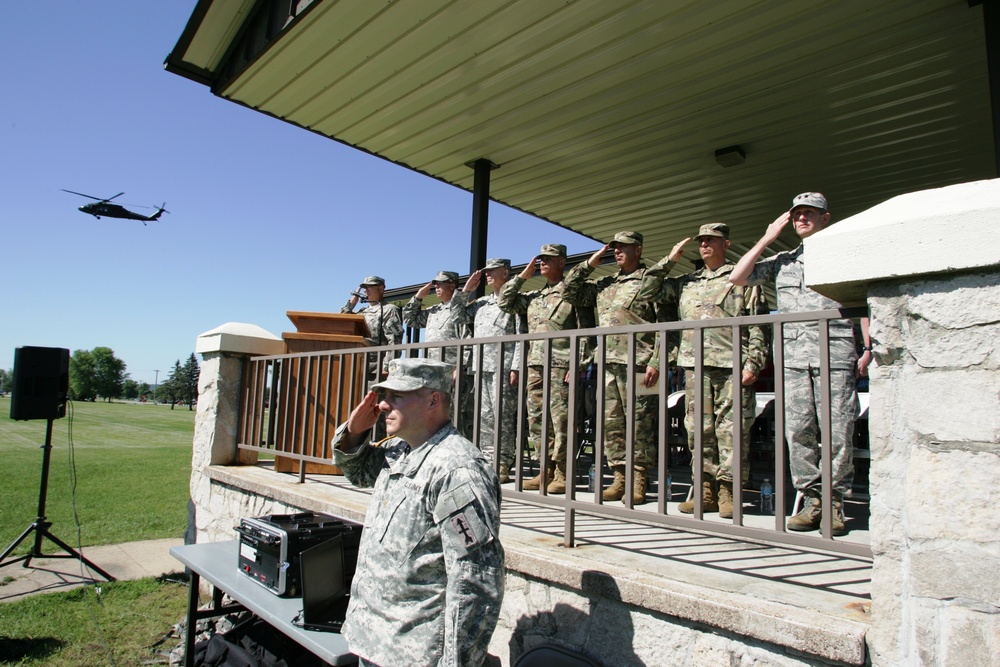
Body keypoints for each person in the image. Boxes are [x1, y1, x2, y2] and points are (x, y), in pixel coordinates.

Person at [331, 358, 505, 667]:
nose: (383, 405)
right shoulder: (398, 450)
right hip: (373, 642)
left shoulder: (457, 469)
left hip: (414, 653)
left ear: (433, 400)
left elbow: (475, 580)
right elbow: (357, 472)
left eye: (396, 395)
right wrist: (355, 432)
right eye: (383, 396)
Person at [730, 193, 872, 535]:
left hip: (834, 355)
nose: (802, 219)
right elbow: (737, 277)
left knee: (838, 431)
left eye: (810, 213)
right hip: (793, 359)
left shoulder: (844, 253)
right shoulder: (782, 261)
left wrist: (868, 347)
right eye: (797, 215)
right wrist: (767, 238)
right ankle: (812, 501)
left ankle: (835, 502)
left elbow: (863, 301)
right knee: (798, 432)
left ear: (826, 217)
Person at [654, 223, 769, 518]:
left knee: (731, 432)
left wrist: (754, 362)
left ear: (726, 244)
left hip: (732, 366)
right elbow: (647, 289)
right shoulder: (686, 282)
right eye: (702, 240)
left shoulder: (742, 278)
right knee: (698, 432)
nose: (705, 245)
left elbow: (758, 325)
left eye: (711, 240)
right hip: (695, 366)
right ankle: (705, 490)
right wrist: (670, 260)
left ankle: (729, 491)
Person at [562, 231, 672, 505]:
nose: (618, 251)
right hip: (608, 362)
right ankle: (619, 478)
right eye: (615, 248)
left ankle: (638, 481)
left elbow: (665, 325)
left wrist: (657, 362)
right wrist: (592, 262)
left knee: (640, 424)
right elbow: (569, 290)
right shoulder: (604, 284)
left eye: (623, 247)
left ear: (638, 249)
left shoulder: (651, 281)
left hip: (640, 363)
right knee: (611, 424)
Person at [498, 244, 594, 494]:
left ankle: (563, 472)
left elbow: (586, 331)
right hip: (536, 365)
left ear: (562, 262)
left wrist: (579, 363)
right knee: (537, 420)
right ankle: (545, 470)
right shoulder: (535, 297)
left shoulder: (573, 293)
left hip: (562, 364)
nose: (542, 263)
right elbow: (505, 302)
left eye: (548, 259)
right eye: (540, 259)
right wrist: (522, 277)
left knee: (561, 421)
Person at [461, 258, 527, 483]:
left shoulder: (515, 302)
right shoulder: (481, 304)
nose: (487, 275)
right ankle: (486, 459)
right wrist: (466, 291)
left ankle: (502, 462)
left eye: (492, 271)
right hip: (482, 366)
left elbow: (521, 336)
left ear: (506, 272)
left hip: (504, 365)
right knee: (484, 416)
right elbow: (456, 315)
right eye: (486, 271)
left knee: (502, 416)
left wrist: (517, 366)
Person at [403, 270, 473, 432]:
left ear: (452, 285)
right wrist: (419, 297)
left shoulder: (460, 311)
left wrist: (460, 367)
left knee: (452, 413)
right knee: (430, 411)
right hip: (431, 370)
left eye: (441, 284)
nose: (437, 288)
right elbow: (410, 319)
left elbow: (467, 341)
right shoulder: (433, 311)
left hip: (450, 370)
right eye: (435, 284)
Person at [340, 275, 404, 351]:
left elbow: (394, 341)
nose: (366, 291)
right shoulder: (362, 312)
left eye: (369, 287)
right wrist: (352, 302)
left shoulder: (389, 309)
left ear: (381, 289)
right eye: (365, 288)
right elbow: (341, 320)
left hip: (377, 360)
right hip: (357, 359)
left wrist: (388, 362)